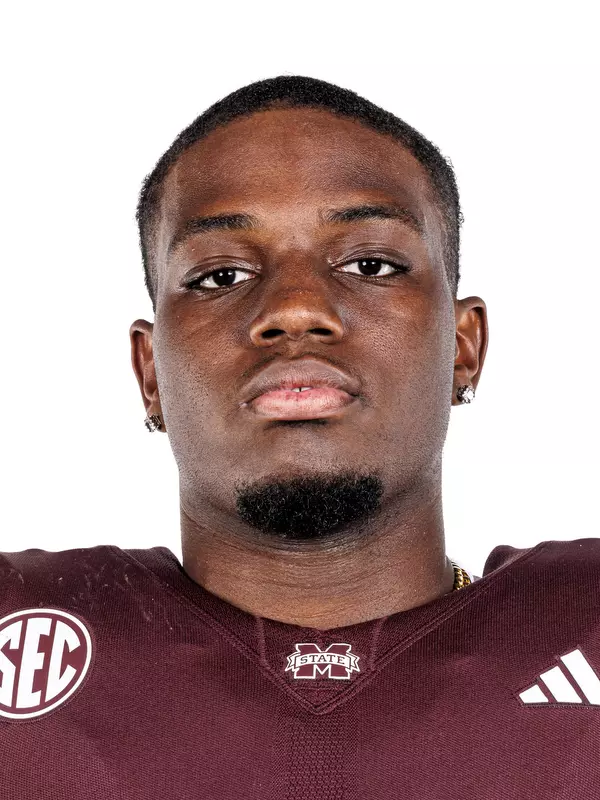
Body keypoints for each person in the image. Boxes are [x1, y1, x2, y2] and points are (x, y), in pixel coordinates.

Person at [1, 75, 598, 798]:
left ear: (464, 348)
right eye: (221, 275)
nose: (294, 309)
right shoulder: (24, 629)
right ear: (149, 370)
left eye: (369, 264)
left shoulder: (581, 618)